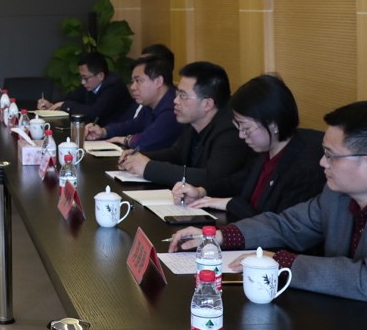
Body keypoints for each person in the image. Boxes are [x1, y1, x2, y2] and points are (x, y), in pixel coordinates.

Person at [169, 101, 367, 330]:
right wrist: (220, 236)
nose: (322, 162)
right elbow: (287, 225)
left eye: (330, 155)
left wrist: (282, 263)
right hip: (343, 323)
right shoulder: (338, 195)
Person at [171, 74, 324, 222]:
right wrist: (200, 191)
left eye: (246, 128)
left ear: (273, 125)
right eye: (238, 127)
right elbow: (238, 181)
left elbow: (279, 225)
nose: (241, 135)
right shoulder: (266, 150)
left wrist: (229, 203)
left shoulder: (304, 168)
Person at [119, 61, 251, 192]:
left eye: (183, 96)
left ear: (207, 104)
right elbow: (177, 154)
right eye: (177, 94)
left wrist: (148, 168)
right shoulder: (193, 121)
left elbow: (210, 178)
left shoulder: (231, 131)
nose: (175, 101)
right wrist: (140, 157)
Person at [84, 56, 180, 152]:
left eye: (138, 81)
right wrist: (103, 132)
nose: (133, 87)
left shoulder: (174, 107)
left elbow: (148, 141)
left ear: (158, 81)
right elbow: (132, 125)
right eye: (133, 81)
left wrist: (126, 140)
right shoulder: (151, 104)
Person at [37, 51, 131, 126]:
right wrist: (51, 104)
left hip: (116, 134)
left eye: (85, 78)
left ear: (100, 76)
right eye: (81, 77)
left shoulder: (113, 86)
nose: (82, 82)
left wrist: (64, 105)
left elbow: (94, 112)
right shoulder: (90, 84)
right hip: (95, 132)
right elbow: (71, 97)